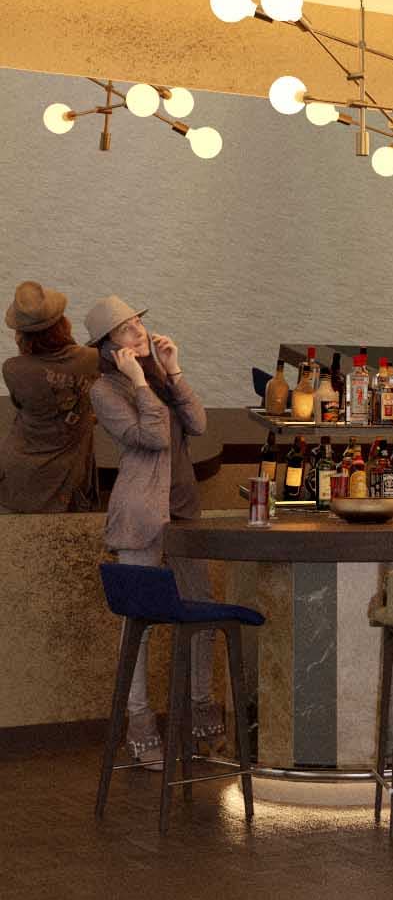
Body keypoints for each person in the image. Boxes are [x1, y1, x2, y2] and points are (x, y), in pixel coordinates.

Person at [86, 295, 222, 769]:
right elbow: (153, 437)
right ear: (109, 347)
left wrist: (173, 369)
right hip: (142, 516)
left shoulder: (160, 376)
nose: (139, 331)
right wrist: (140, 382)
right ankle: (141, 730)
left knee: (203, 617)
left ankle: (200, 717)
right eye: (126, 329)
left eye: (138, 322)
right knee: (139, 627)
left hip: (184, 512)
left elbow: (198, 424)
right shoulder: (105, 389)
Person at [0, 281, 100, 513]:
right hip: (70, 469)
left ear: (21, 335)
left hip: (20, 467)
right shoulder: (93, 358)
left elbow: (20, 404)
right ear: (63, 324)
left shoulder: (13, 368)